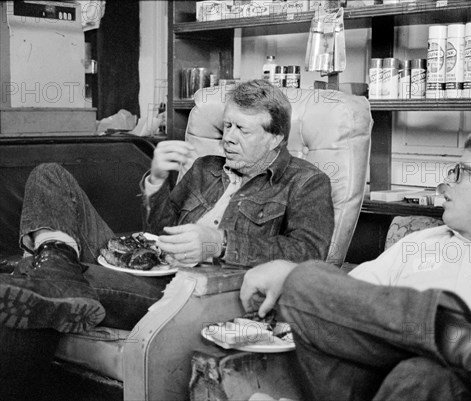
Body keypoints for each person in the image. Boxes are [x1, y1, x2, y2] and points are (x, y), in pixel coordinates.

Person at [0, 80, 334, 398]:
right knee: (49, 176)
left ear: (275, 138)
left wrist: (221, 242)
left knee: (40, 276)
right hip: (151, 263)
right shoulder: (206, 168)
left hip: (189, 293)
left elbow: (309, 254)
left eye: (242, 130)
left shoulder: (305, 182)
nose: (228, 138)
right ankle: (55, 271)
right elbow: (161, 229)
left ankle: (52, 274)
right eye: (227, 126)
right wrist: (157, 179)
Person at [240, 131, 471, 401]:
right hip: (384, 374)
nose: (442, 185)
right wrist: (290, 277)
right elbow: (348, 305)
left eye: (459, 173)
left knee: (423, 374)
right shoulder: (419, 243)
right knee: (304, 280)